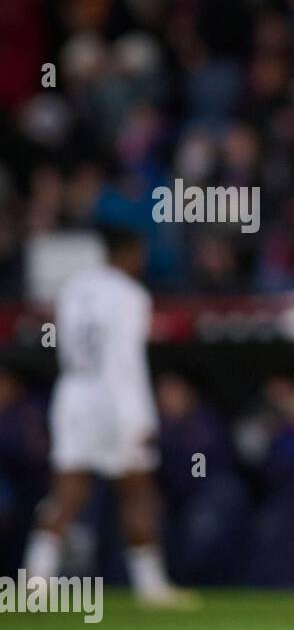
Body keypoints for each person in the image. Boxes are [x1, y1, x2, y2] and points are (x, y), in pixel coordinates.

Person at [20, 226, 197, 607]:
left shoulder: (73, 288)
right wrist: (141, 419)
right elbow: (124, 362)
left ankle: (36, 577)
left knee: (68, 487)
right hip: (112, 398)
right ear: (130, 254)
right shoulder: (131, 295)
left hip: (73, 393)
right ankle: (151, 586)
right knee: (136, 490)